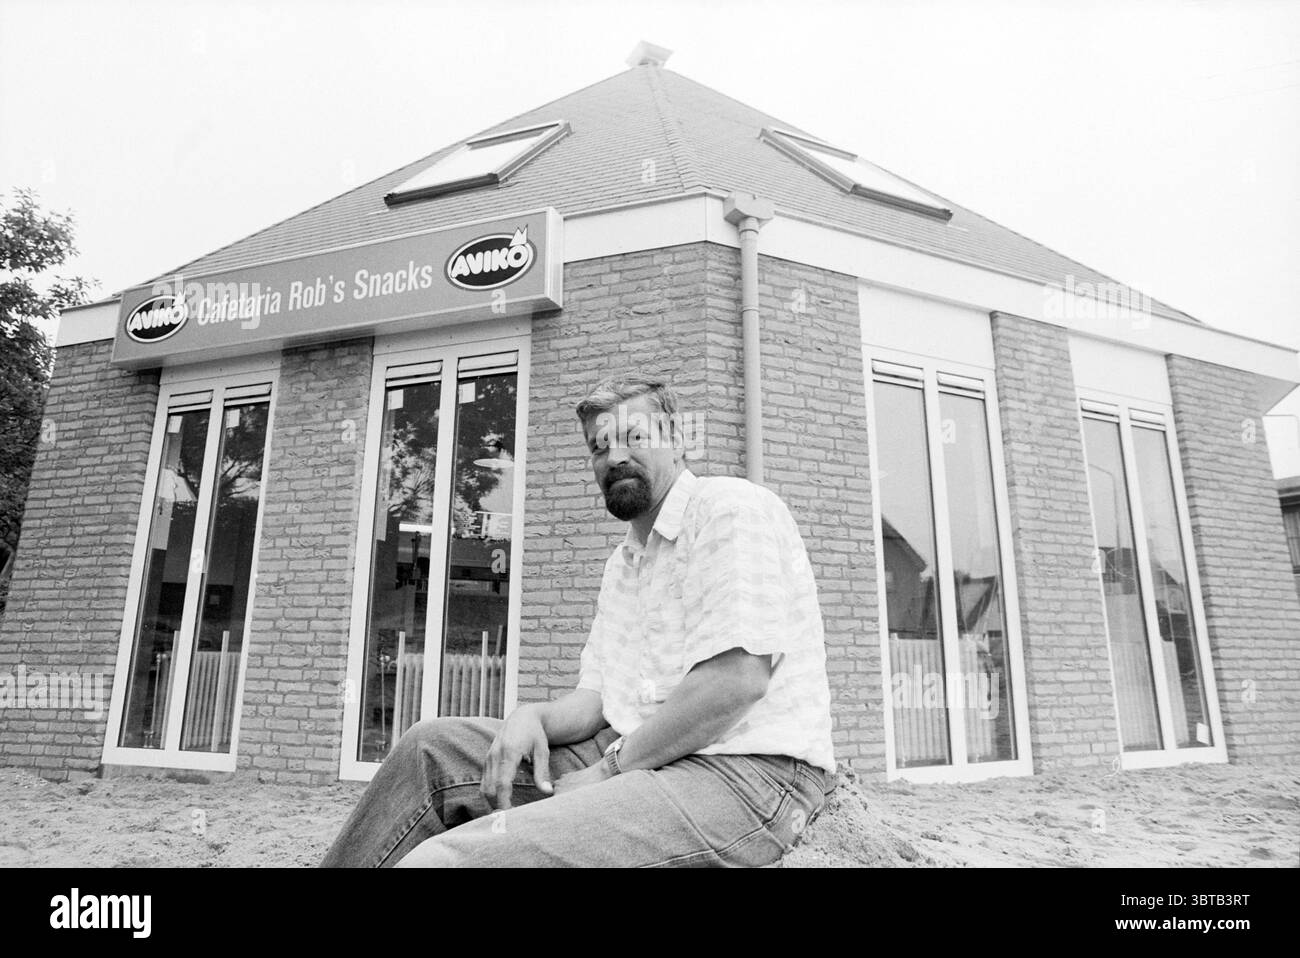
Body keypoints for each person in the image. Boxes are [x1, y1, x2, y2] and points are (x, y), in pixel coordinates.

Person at [320, 373, 836, 867]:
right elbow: (595, 702)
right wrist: (534, 717)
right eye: (598, 446)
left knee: (449, 860)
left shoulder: (729, 510)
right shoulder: (625, 561)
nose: (614, 456)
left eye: (634, 436)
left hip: (748, 773)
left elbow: (735, 681)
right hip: (639, 750)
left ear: (677, 442)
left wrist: (608, 770)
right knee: (428, 751)